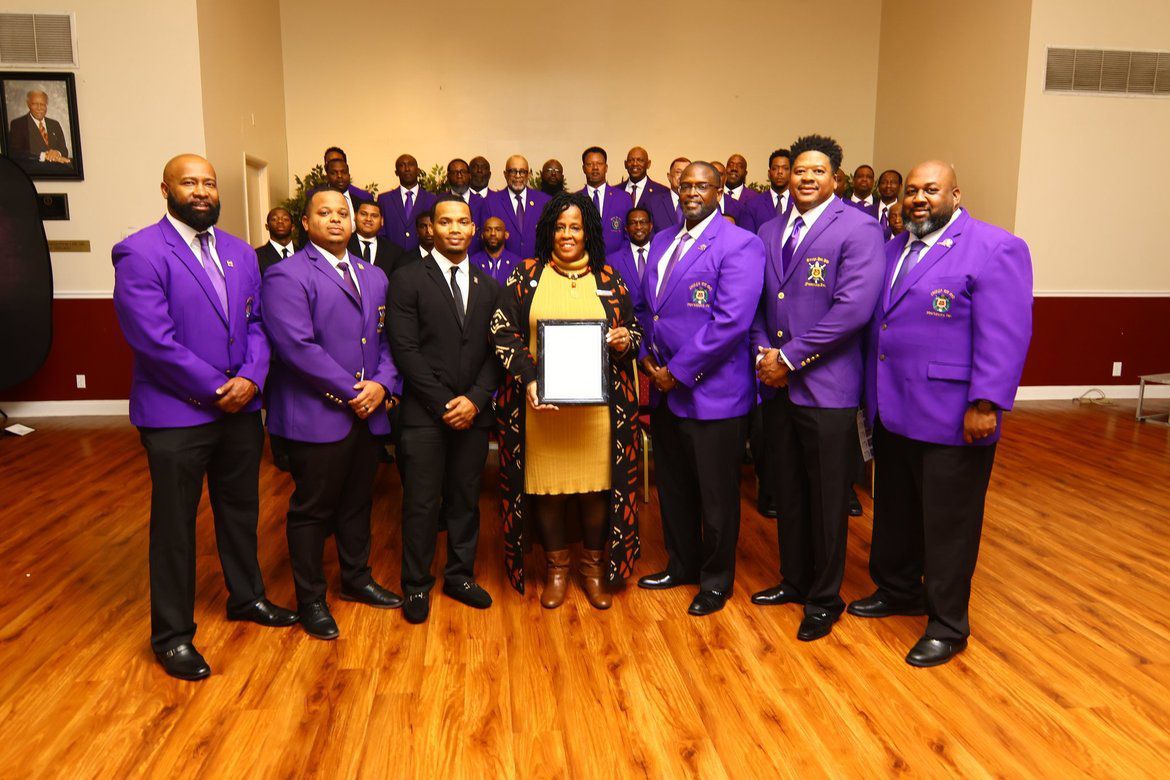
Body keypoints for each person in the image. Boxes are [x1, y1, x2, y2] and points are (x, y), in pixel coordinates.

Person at [112, 154, 297, 681]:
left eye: (209, 183)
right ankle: (172, 636)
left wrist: (251, 379)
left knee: (240, 510)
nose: (201, 191)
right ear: (165, 189)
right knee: (175, 527)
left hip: (241, 409)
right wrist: (218, 389)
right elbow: (154, 341)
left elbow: (259, 325)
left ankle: (247, 597)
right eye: (189, 182)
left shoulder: (239, 252)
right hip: (176, 416)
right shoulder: (140, 252)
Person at [850, 160, 1033, 667]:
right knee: (897, 510)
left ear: (956, 195)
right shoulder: (894, 248)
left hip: (954, 416)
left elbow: (1006, 334)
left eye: (931, 189)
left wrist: (986, 403)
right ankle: (898, 590)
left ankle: (948, 625)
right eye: (912, 191)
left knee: (949, 524)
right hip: (893, 408)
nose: (918, 198)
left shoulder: (995, 247)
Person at [749, 134, 885, 642]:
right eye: (799, 170)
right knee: (787, 490)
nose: (806, 177)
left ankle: (825, 598)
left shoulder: (858, 228)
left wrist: (787, 358)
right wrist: (763, 352)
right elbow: (760, 302)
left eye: (817, 171)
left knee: (828, 499)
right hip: (777, 387)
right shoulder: (769, 229)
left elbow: (853, 310)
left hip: (827, 389)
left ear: (835, 179)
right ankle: (794, 580)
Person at [262, 188, 404, 640]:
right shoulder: (286, 275)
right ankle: (311, 600)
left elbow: (388, 341)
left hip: (368, 412)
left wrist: (382, 385)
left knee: (358, 502)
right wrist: (354, 392)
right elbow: (296, 348)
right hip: (317, 415)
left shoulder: (374, 275)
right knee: (313, 510)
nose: (337, 219)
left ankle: (357, 579)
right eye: (325, 213)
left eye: (343, 212)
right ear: (306, 223)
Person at [491, 191, 642, 610]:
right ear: (548, 231)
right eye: (559, 227)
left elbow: (635, 332)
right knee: (548, 490)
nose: (567, 234)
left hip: (598, 414)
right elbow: (502, 332)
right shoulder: (526, 276)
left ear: (588, 231)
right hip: (542, 408)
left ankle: (592, 569)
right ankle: (556, 569)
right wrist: (529, 379)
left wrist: (625, 340)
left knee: (596, 491)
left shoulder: (610, 279)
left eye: (575, 226)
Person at [634, 162, 764, 616]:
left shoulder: (740, 244)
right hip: (664, 388)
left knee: (716, 495)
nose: (692, 192)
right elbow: (647, 309)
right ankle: (681, 564)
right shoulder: (663, 240)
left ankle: (715, 580)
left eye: (702, 185)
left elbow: (730, 323)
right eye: (686, 185)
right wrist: (646, 357)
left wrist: (677, 371)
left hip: (713, 393)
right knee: (674, 487)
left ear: (719, 190)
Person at [389, 196, 502, 623]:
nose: (455, 229)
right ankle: (416, 584)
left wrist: (475, 399)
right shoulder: (407, 279)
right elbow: (405, 349)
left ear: (473, 229)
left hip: (474, 414)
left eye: (462, 221)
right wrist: (443, 404)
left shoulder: (490, 286)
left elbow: (497, 351)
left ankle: (459, 576)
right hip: (424, 415)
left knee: (465, 500)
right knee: (421, 503)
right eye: (445, 222)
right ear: (431, 229)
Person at [482, 155, 551, 260]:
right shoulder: (491, 202)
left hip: (537, 265)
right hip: (503, 267)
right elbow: (485, 240)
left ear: (529, 175)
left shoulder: (544, 201)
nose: (518, 176)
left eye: (522, 172)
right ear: (505, 174)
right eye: (513, 171)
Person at [376, 153, 437, 251]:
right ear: (396, 172)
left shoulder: (432, 199)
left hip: (423, 257)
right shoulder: (384, 199)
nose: (407, 169)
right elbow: (380, 232)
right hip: (392, 257)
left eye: (411, 164)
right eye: (402, 165)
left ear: (418, 170)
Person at [579, 146, 634, 255]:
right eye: (590, 164)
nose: (595, 168)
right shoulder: (575, 200)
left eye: (599, 163)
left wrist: (617, 259)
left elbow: (630, 234)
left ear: (606, 167)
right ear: (584, 168)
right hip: (583, 262)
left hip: (616, 262)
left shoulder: (623, 198)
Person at [7, 89, 71, 168]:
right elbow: (15, 153)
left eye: (42, 104)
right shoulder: (18, 124)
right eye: (35, 104)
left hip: (56, 170)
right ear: (28, 104)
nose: (39, 108)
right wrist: (44, 156)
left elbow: (64, 150)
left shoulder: (54, 124)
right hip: (33, 170)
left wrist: (57, 153)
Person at [606, 206, 653, 312]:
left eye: (643, 222)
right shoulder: (612, 261)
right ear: (626, 228)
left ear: (650, 226)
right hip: (627, 320)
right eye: (633, 223)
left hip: (656, 320)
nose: (638, 227)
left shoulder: (663, 256)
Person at [347, 199, 409, 277]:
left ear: (382, 221)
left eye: (374, 216)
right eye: (363, 214)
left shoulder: (394, 252)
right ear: (355, 217)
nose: (368, 219)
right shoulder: (343, 244)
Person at [621, 146, 675, 233]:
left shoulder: (662, 192)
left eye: (640, 160)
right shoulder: (615, 191)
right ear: (625, 164)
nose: (635, 164)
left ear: (648, 164)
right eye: (631, 160)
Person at [738, 149, 792, 234]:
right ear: (769, 173)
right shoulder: (753, 205)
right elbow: (748, 239)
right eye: (775, 168)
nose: (780, 172)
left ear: (791, 173)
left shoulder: (799, 204)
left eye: (785, 168)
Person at [469, 215, 521, 285]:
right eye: (488, 230)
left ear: (506, 235)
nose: (493, 233)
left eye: (498, 230)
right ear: (482, 235)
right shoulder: (472, 262)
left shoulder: (517, 263)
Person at [256, 207, 294, 275]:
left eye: (285, 219)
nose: (280, 221)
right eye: (274, 219)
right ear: (267, 226)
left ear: (293, 227)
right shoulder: (257, 256)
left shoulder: (304, 253)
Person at [662, 156, 690, 229]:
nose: (682, 176)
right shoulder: (653, 203)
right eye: (678, 172)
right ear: (669, 177)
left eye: (686, 172)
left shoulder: (700, 202)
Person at [875, 169, 903, 240]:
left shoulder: (906, 213)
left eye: (893, 183)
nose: (888, 186)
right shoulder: (866, 211)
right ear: (878, 187)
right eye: (884, 182)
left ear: (900, 187)